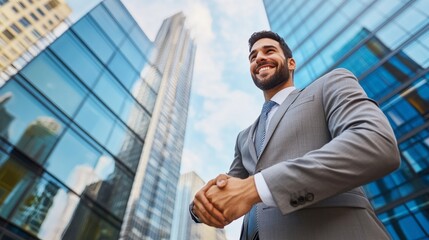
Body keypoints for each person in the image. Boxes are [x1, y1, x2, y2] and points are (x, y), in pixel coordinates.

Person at [190, 30, 400, 239]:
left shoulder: (330, 84)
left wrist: (255, 187)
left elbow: (375, 142)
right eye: (253, 57)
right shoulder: (243, 137)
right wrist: (201, 206)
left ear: (291, 63)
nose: (259, 58)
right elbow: (230, 188)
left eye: (269, 51)